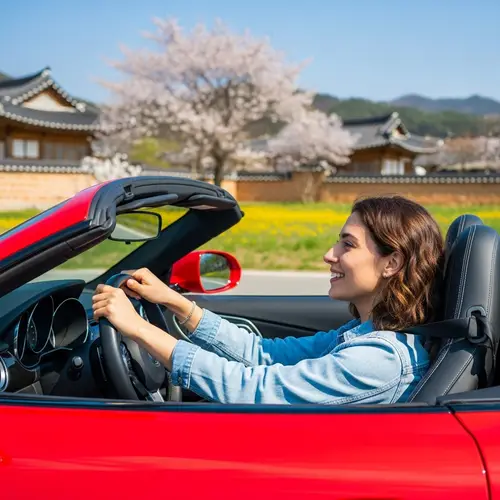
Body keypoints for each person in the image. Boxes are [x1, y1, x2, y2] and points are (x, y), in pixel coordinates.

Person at [92, 195, 444, 405]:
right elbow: (265, 356)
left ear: (392, 263)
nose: (328, 254)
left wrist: (139, 329)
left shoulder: (379, 360)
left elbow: (254, 390)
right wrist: (178, 304)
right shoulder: (363, 334)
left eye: (347, 245)